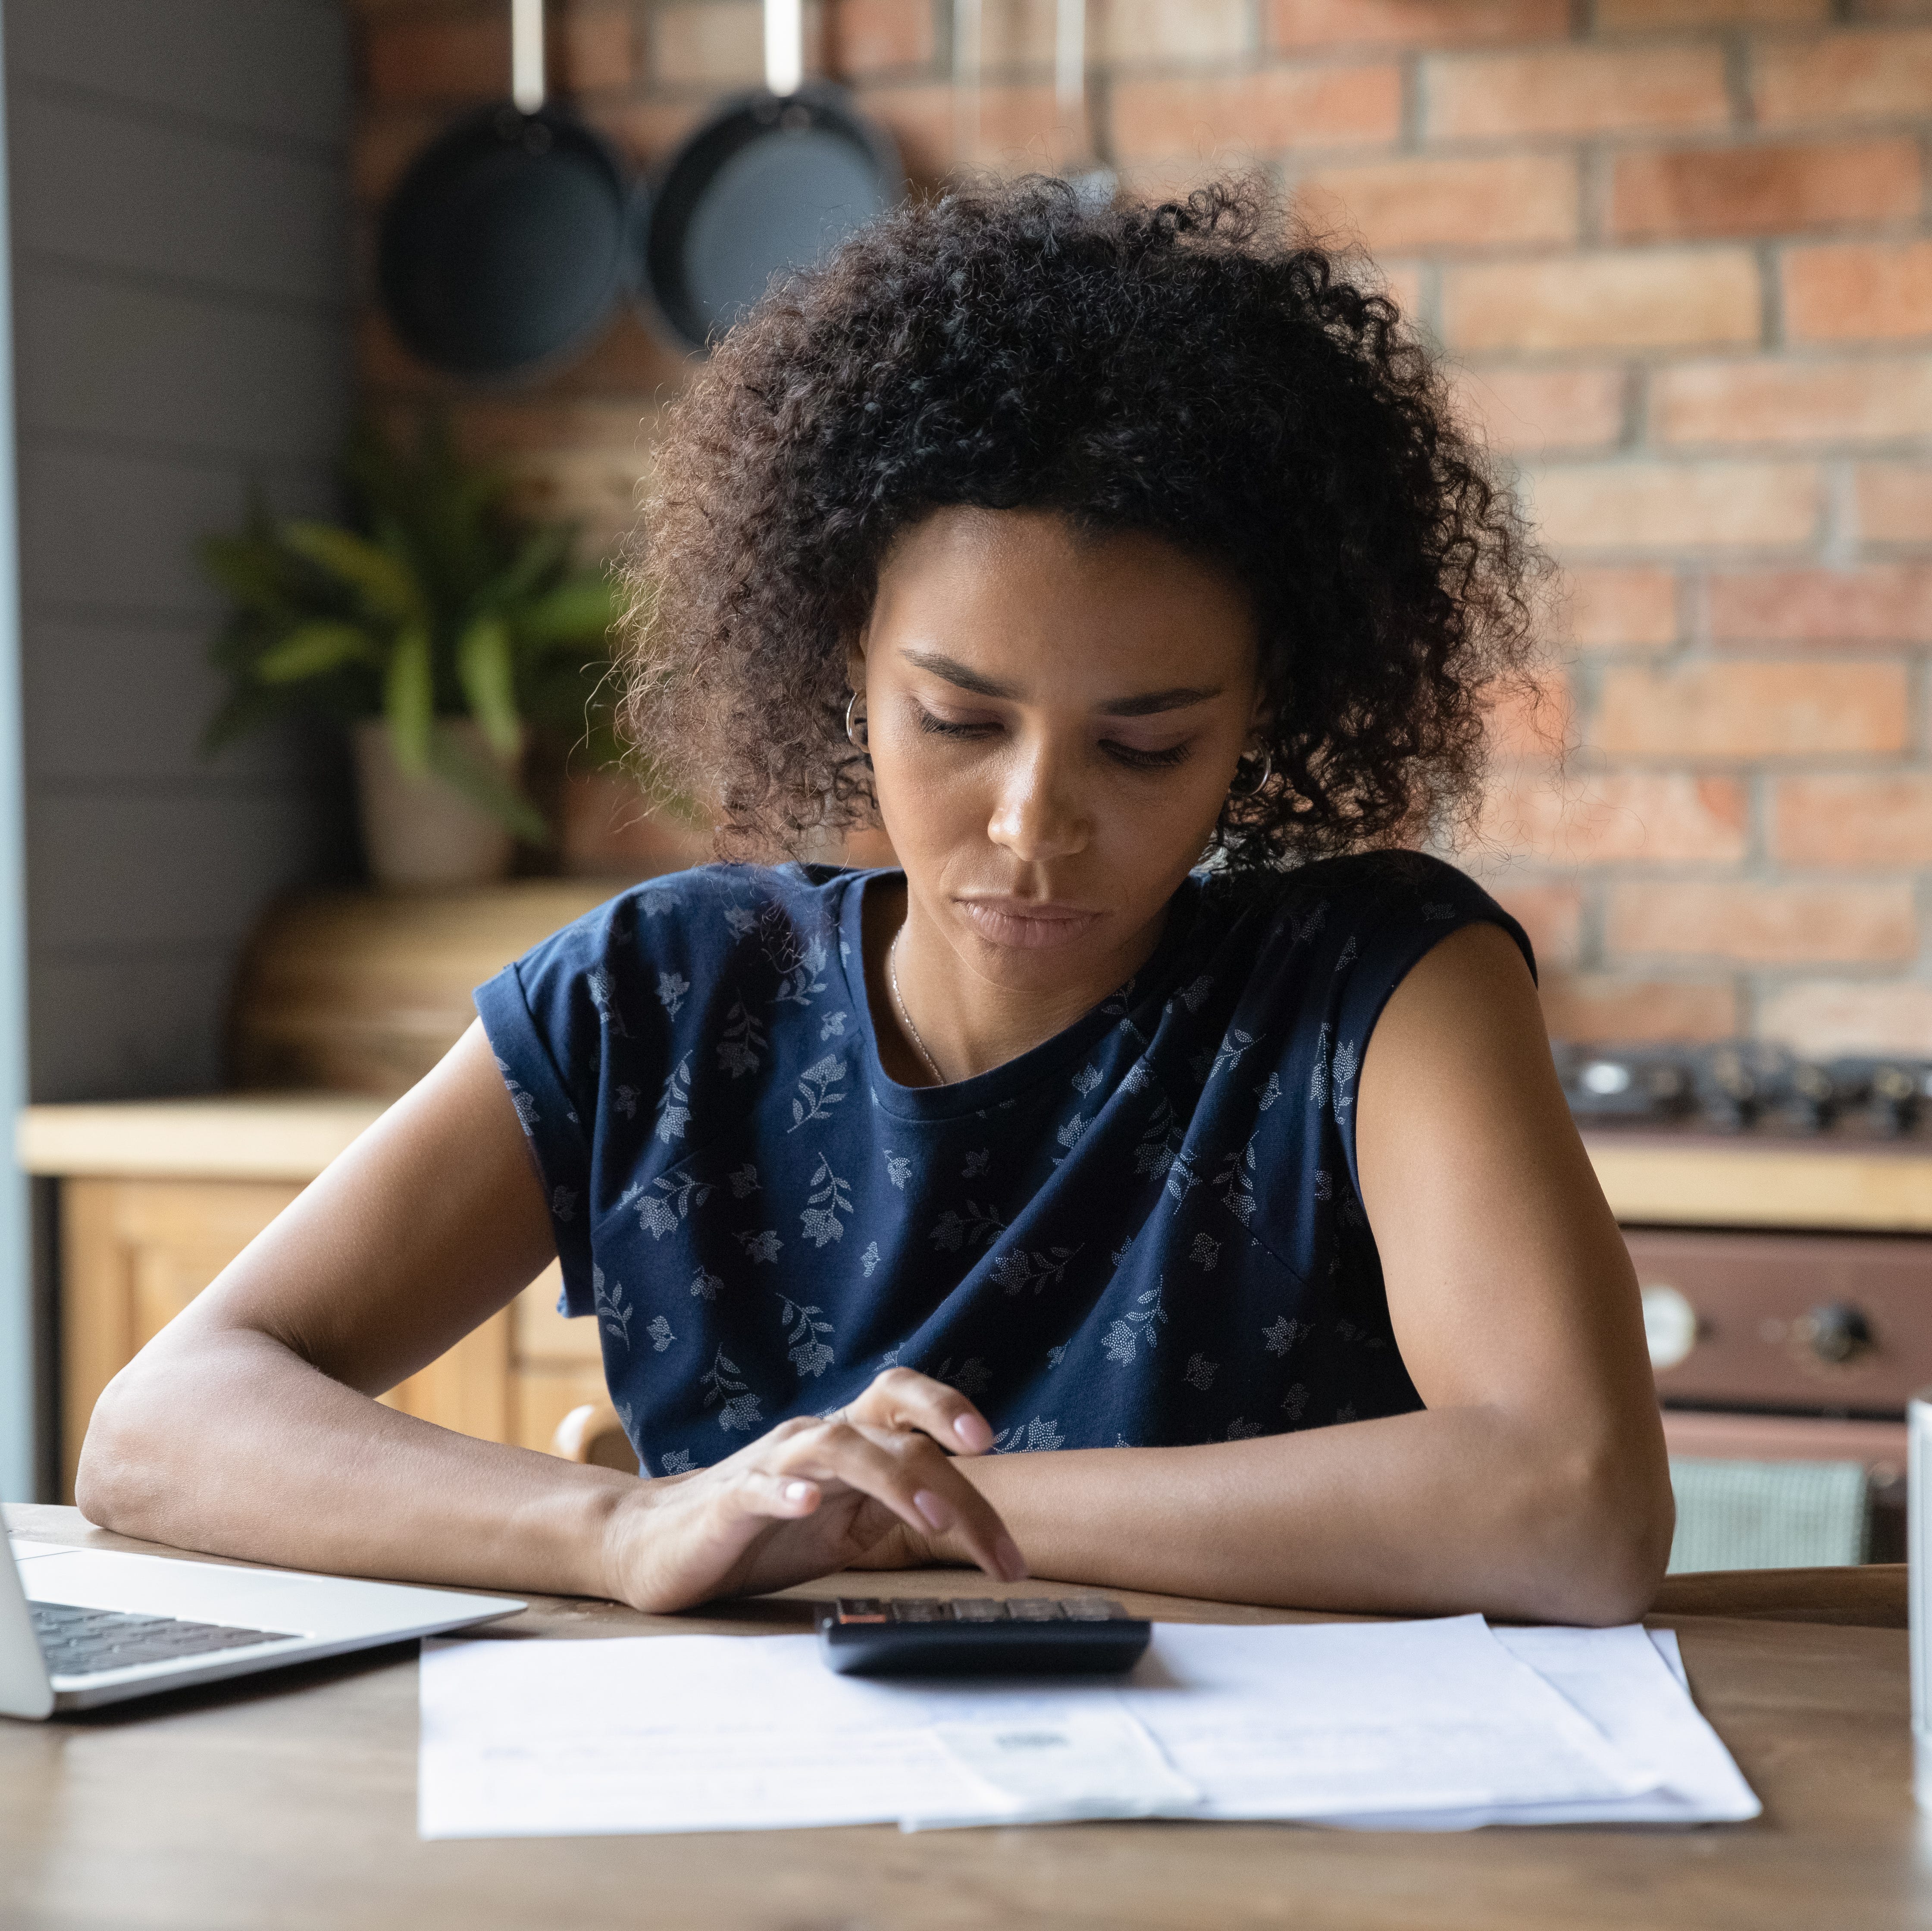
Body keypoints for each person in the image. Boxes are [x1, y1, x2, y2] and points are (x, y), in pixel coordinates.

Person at [79, 179, 1672, 1624]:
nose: (1033, 821)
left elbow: (1573, 1507)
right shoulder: (659, 997)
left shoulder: (1379, 992)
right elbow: (164, 1424)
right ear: (846, 658)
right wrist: (620, 1532)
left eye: (1145, 743)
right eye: (960, 721)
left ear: (1269, 713)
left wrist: (919, 1515)